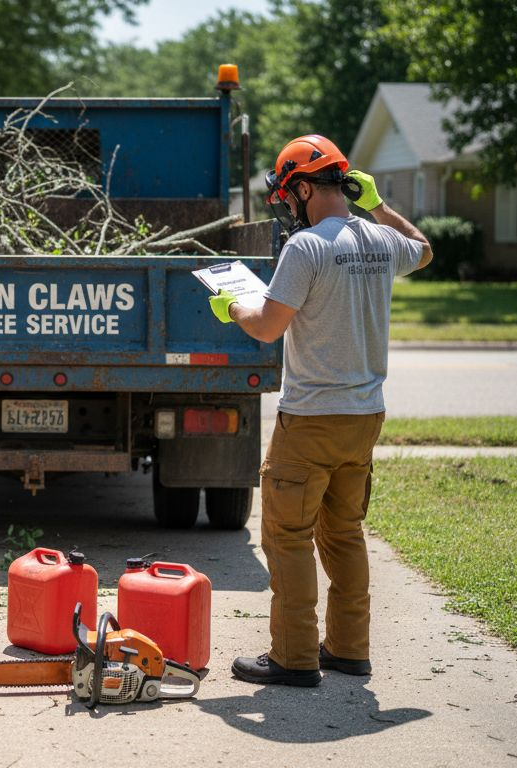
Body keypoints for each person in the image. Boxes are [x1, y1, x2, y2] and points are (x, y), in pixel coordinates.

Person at [211, 134, 433, 686]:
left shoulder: (305, 248)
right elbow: (425, 249)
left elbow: (266, 327)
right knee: (344, 533)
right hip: (364, 416)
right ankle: (350, 649)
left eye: (289, 196)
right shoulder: (381, 240)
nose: (288, 207)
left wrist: (233, 305)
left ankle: (293, 657)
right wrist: (377, 203)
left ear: (306, 187)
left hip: (310, 418)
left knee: (288, 537)